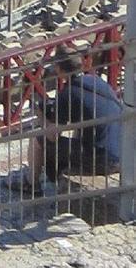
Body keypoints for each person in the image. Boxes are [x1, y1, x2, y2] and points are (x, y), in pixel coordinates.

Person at [29, 50, 124, 192]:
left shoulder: (68, 93)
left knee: (36, 139)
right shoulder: (97, 82)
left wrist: (42, 117)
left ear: (58, 69)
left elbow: (52, 137)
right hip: (123, 154)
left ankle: (31, 184)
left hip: (101, 161)